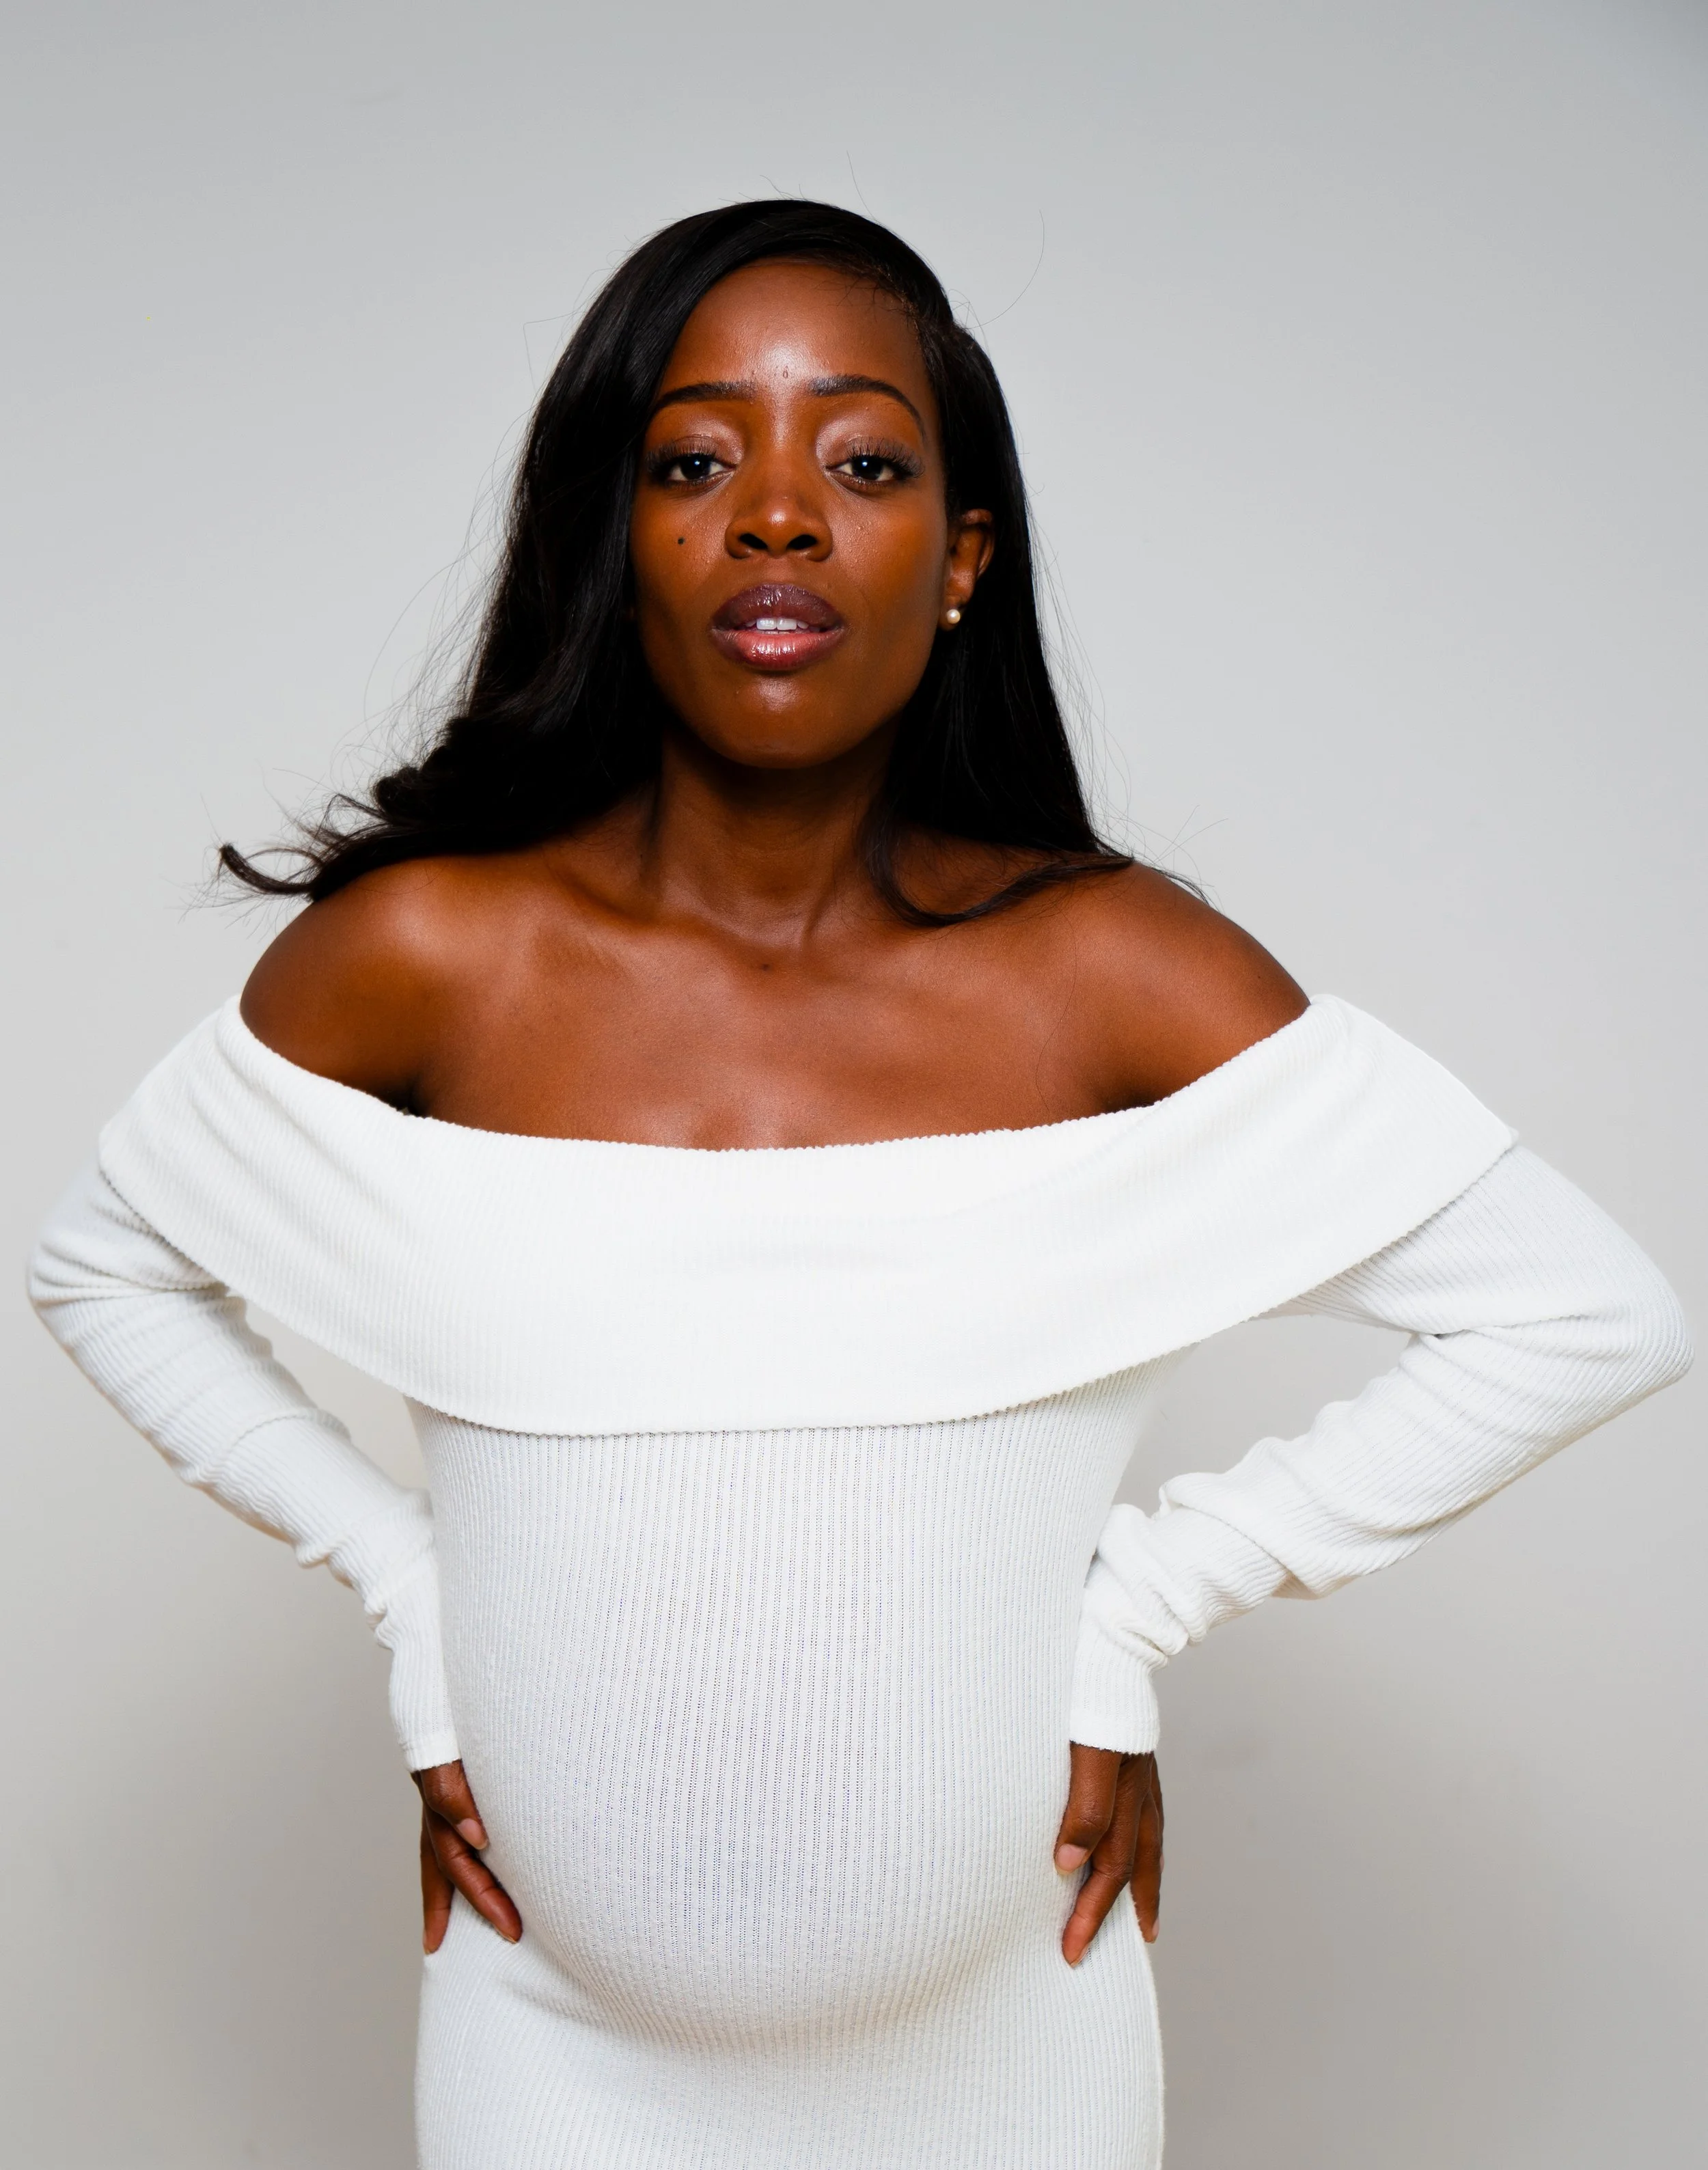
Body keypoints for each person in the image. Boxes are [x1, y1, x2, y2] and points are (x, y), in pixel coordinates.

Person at [29, 201, 1689, 2170]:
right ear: (611, 539)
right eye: (696, 459)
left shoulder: (1112, 975)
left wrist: (1140, 1610)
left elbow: (1581, 1313)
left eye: (867, 462)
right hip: (547, 2047)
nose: (779, 517)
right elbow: (105, 1265)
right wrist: (409, 1587)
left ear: (960, 556)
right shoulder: (431, 960)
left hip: (1007, 2053)